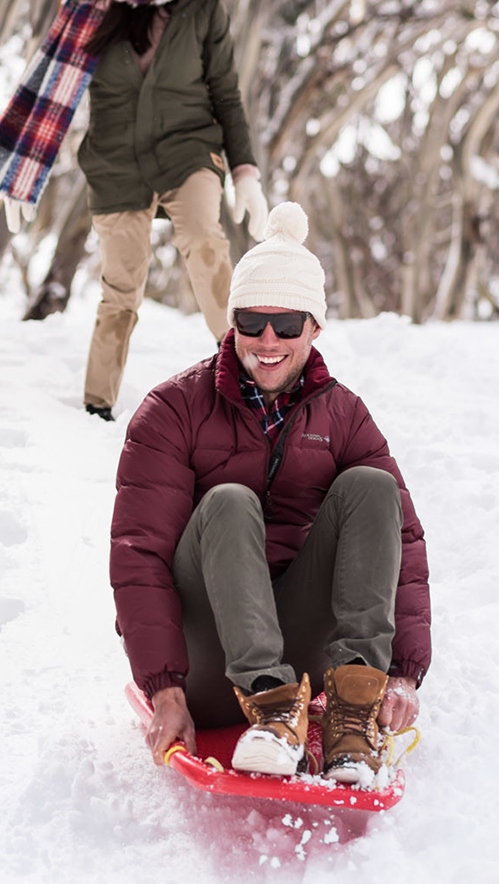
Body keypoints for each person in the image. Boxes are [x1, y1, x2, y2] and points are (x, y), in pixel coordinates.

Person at [109, 201, 430, 782]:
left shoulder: (344, 416)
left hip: (303, 657)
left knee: (372, 488)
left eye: (287, 324)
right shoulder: (172, 410)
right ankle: (270, 707)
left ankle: (352, 716)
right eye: (252, 322)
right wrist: (164, 689)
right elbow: (139, 557)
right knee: (229, 501)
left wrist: (403, 672)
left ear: (315, 327)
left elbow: (401, 542)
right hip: (207, 662)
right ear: (233, 323)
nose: (268, 339)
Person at [0, 0, 268, 423]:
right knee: (121, 286)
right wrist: (21, 173)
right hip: (115, 159)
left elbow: (225, 89)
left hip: (188, 148)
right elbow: (51, 80)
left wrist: (244, 169)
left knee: (205, 242)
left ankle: (253, 379)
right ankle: (96, 408)